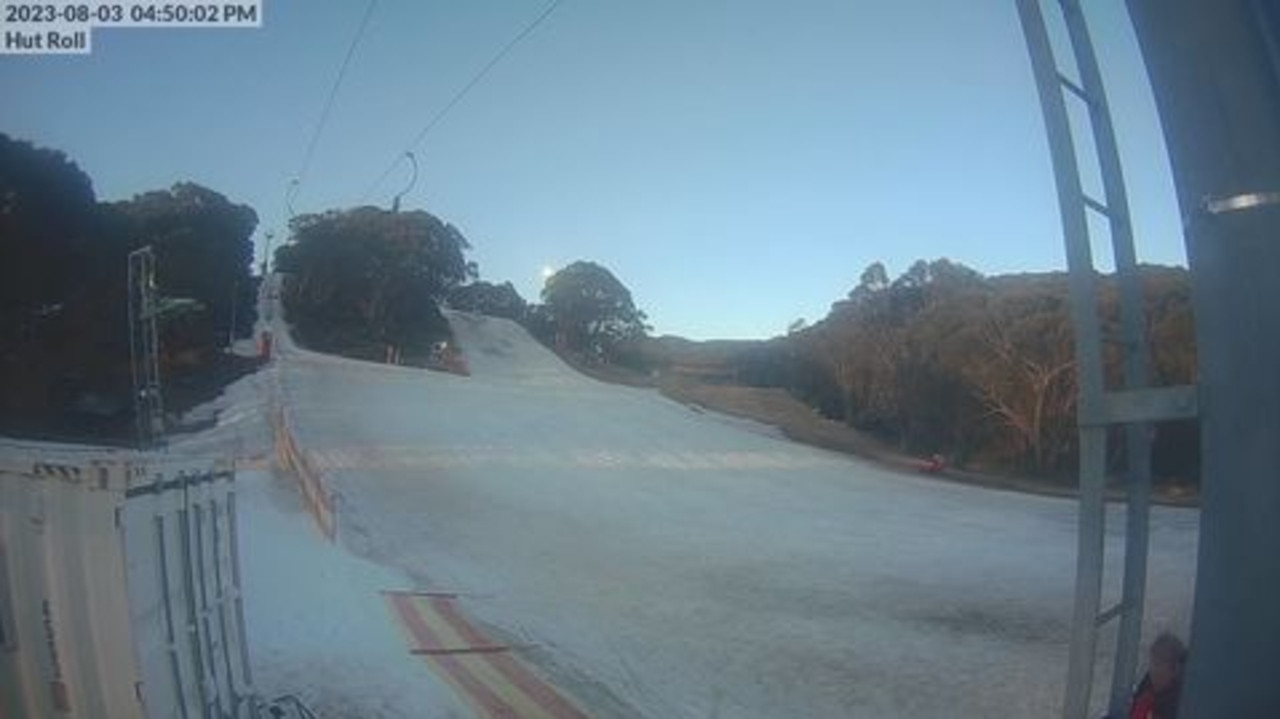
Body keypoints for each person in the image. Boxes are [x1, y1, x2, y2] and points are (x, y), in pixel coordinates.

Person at [1126, 632, 1187, 719]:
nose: (1152, 671)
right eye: (1152, 663)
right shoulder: (1148, 683)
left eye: (1158, 664)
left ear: (1174, 669)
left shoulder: (1180, 700)